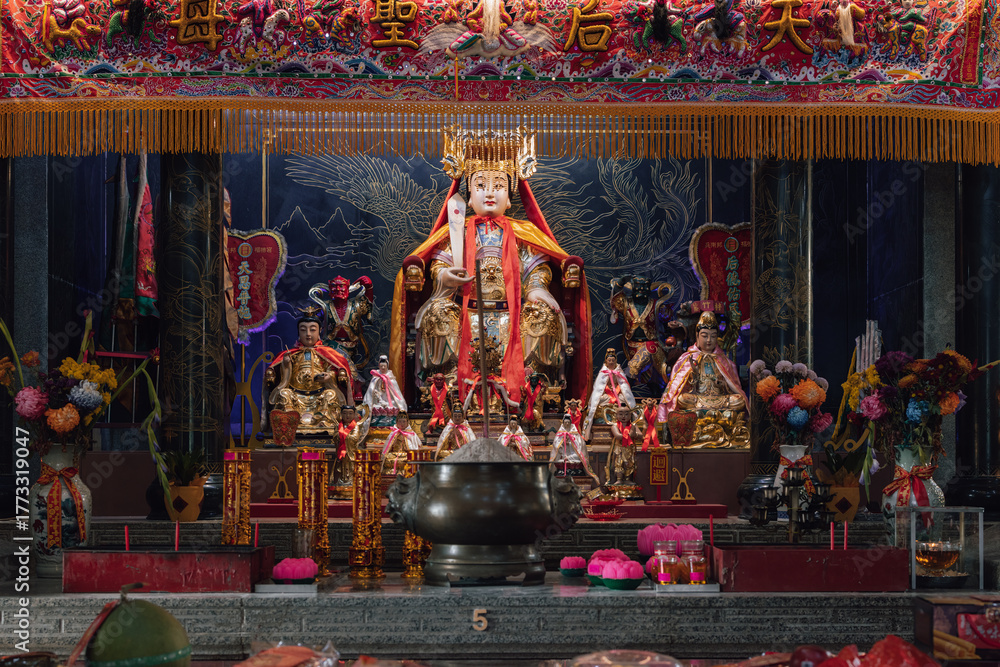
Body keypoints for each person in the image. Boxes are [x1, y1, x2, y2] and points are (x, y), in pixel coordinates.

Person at [389, 127, 591, 407]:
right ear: (468, 197)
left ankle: (535, 387)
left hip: (512, 314)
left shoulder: (524, 233)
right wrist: (445, 278)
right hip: (465, 312)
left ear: (510, 198)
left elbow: (536, 268)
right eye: (481, 186)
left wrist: (537, 289)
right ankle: (443, 386)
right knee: (437, 314)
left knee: (544, 315)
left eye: (498, 186)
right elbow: (437, 264)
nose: (490, 193)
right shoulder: (455, 231)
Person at [660, 311, 749, 448]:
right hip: (697, 401)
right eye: (705, 336)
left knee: (738, 400)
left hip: (720, 401)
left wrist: (723, 384)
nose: (709, 340)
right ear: (697, 336)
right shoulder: (687, 359)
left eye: (713, 336)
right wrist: (693, 379)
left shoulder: (725, 361)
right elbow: (677, 388)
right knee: (683, 399)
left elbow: (733, 388)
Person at [264, 306, 355, 434]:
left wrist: (329, 377)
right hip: (296, 396)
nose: (308, 334)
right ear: (298, 332)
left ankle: (323, 421)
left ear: (319, 332)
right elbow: (280, 377)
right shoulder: (291, 354)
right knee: (284, 394)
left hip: (319, 396)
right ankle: (290, 421)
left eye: (312, 330)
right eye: (303, 330)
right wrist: (286, 366)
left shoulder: (326, 354)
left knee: (331, 395)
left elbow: (333, 369)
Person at [308, 275, 372, 402]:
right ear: (329, 288)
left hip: (352, 346)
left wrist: (369, 288)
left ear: (348, 287)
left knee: (348, 366)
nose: (338, 289)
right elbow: (314, 323)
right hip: (330, 346)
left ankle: (354, 390)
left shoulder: (356, 306)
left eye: (341, 286)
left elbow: (368, 308)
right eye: (335, 286)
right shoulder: (324, 307)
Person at [610, 275, 673, 392]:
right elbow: (616, 299)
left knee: (649, 351)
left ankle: (622, 388)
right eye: (638, 287)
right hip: (632, 346)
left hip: (652, 345)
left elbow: (667, 317)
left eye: (644, 287)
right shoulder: (626, 304)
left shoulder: (656, 304)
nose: (641, 290)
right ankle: (628, 391)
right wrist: (621, 282)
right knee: (643, 379)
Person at [582, 349, 636, 441]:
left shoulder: (619, 372)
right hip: (607, 396)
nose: (611, 362)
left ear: (615, 361)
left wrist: (617, 389)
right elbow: (599, 388)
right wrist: (608, 389)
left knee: (624, 399)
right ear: (606, 361)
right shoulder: (603, 373)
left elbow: (624, 386)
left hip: (618, 394)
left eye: (613, 360)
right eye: (609, 360)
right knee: (599, 401)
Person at [550, 414, 602, 488]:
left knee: (577, 459)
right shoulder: (560, 433)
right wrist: (563, 444)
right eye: (565, 423)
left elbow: (579, 445)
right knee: (559, 461)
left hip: (573, 454)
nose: (567, 424)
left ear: (571, 423)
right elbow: (556, 445)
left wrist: (570, 443)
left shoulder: (575, 433)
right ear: (563, 423)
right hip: (563, 454)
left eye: (568, 423)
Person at [607, 406, 641, 486]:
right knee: (619, 464)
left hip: (629, 449)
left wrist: (635, 434)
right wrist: (629, 435)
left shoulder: (633, 426)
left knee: (629, 464)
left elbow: (641, 435)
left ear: (630, 416)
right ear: (616, 415)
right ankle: (619, 479)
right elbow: (618, 436)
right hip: (619, 448)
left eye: (626, 414)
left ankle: (627, 479)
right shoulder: (614, 426)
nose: (623, 416)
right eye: (620, 414)